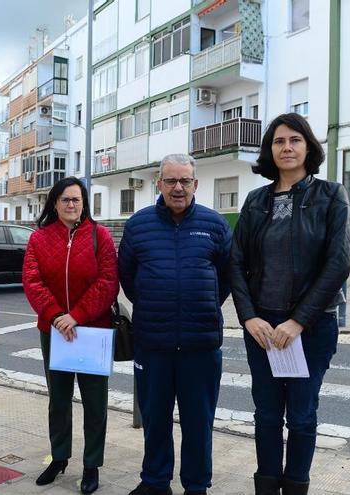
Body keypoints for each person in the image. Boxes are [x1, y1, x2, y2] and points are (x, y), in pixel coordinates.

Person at [229, 113, 350, 495]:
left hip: (310, 329)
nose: (287, 147)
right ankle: (265, 487)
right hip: (263, 329)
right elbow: (235, 262)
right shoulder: (255, 201)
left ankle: (296, 485)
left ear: (308, 147)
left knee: (301, 415)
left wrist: (298, 321)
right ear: (269, 150)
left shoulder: (331, 196)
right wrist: (248, 317)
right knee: (266, 413)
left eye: (295, 140)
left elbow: (339, 263)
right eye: (279, 141)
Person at [118, 154, 232, 495]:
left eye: (185, 181)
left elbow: (227, 277)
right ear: (159, 184)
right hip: (153, 343)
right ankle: (155, 482)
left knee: (199, 423)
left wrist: (202, 304)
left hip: (201, 344)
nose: (178, 187)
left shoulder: (215, 225)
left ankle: (196, 486)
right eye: (171, 181)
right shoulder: (138, 225)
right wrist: (156, 304)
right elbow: (127, 277)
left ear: (196, 184)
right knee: (155, 419)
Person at [22, 177, 119, 495]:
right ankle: (59, 457)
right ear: (54, 202)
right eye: (65, 200)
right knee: (58, 400)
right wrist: (57, 317)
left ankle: (92, 465)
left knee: (95, 402)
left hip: (92, 330)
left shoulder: (99, 235)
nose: (71, 205)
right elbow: (32, 281)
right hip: (54, 332)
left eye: (77, 200)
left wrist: (75, 316)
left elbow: (107, 281)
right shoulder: (39, 239)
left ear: (84, 203)